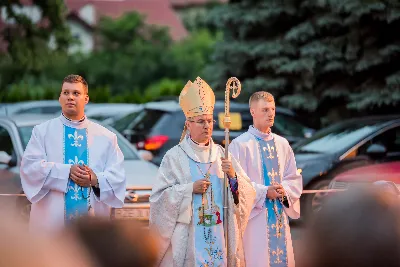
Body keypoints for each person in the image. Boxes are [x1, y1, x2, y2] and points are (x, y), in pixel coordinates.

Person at [149, 77, 256, 267]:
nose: (207, 126)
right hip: (189, 237)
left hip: (219, 233)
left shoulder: (223, 154)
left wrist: (232, 175)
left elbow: (247, 194)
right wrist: (189, 189)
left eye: (209, 121)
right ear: (188, 124)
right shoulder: (174, 157)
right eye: (200, 122)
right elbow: (159, 199)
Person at [20, 74, 126, 233]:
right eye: (66, 93)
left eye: (76, 93)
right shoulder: (42, 132)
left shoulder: (106, 137)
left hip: (91, 228)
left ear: (86, 99)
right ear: (60, 98)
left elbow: (118, 178)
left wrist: (96, 179)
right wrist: (66, 171)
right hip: (51, 226)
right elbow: (30, 169)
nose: (70, 97)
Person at [229, 91, 303, 267]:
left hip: (278, 217)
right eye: (265, 109)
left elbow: (293, 178)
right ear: (253, 112)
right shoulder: (240, 145)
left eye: (272, 109)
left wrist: (283, 190)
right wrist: (263, 192)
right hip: (255, 220)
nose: (270, 114)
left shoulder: (283, 144)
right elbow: (234, 184)